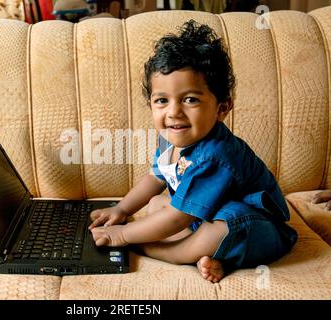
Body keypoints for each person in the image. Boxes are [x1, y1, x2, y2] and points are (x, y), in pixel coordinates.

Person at [88, 20, 298, 283]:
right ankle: (215, 259)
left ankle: (169, 251)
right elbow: (156, 178)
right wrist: (121, 209)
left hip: (257, 229)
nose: (174, 112)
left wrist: (123, 235)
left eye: (190, 100)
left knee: (217, 229)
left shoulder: (215, 156)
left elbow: (178, 218)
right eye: (162, 100)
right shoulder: (172, 139)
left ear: (222, 108)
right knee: (155, 204)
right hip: (207, 214)